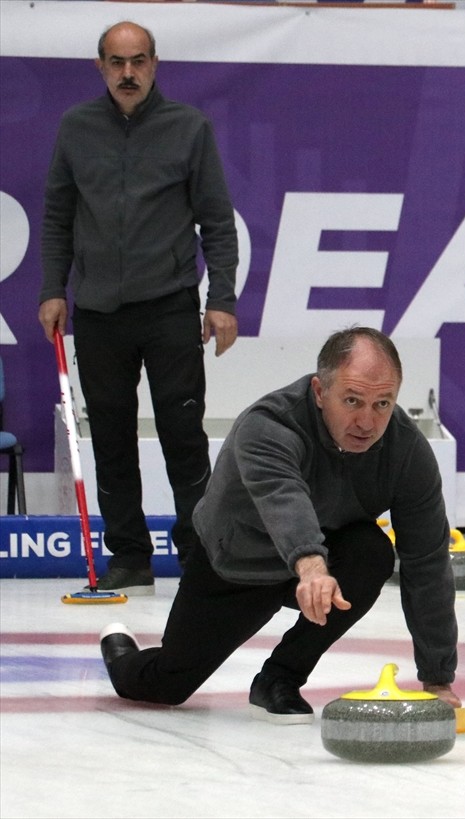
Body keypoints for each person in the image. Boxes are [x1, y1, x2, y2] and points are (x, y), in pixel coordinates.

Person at [98, 327, 460, 722]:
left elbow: (427, 562)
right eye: (352, 400)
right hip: (237, 563)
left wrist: (438, 677)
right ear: (320, 392)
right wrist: (312, 567)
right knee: (165, 685)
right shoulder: (269, 424)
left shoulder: (406, 452)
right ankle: (120, 650)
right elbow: (283, 500)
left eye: (382, 404)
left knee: (371, 553)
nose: (367, 422)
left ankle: (279, 677)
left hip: (320, 568)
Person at [38, 21, 239, 595]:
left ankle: (200, 551)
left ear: (155, 64)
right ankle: (128, 555)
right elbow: (57, 217)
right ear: (100, 66)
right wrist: (53, 288)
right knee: (112, 437)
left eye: (139, 61)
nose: (129, 73)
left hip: (170, 308)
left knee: (183, 434)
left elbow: (217, 222)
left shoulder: (188, 129)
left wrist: (220, 298)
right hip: (98, 311)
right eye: (117, 62)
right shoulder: (76, 129)